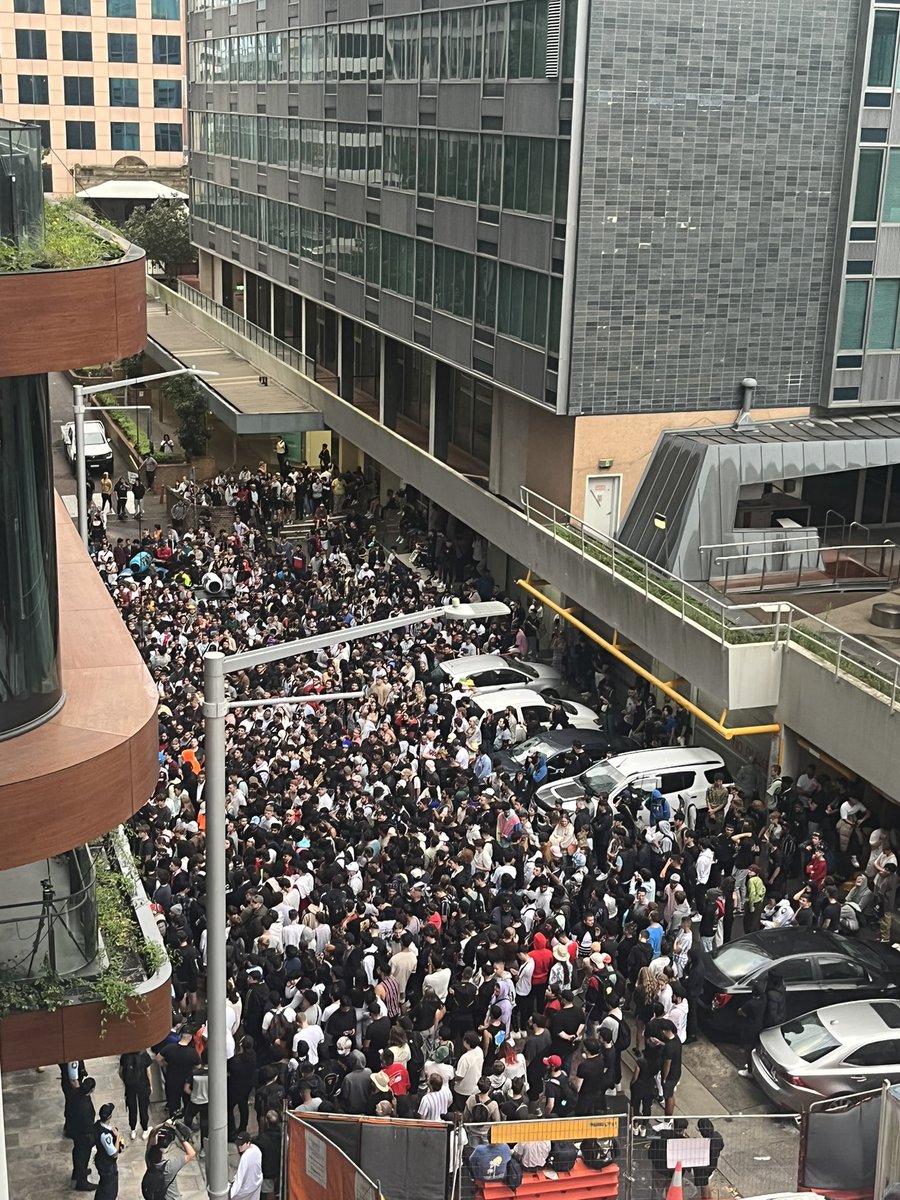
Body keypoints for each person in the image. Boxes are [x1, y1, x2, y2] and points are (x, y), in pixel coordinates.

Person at [69, 1075, 97, 1192]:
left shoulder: (75, 1093)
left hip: (75, 1130)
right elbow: (87, 1124)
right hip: (83, 1134)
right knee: (83, 1157)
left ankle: (77, 1172)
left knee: (77, 1153)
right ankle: (82, 1182)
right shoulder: (84, 1106)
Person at [119, 1049, 152, 1140]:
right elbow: (148, 1073)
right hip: (143, 1085)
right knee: (143, 1107)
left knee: (132, 1107)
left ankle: (133, 1130)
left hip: (130, 1087)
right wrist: (151, 1085)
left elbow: (120, 1072)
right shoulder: (144, 1054)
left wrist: (125, 1082)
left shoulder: (124, 1055)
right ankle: (145, 1130)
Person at [736, 981, 767, 1076]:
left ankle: (749, 1071)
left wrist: (744, 1013)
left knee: (748, 1050)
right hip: (759, 1026)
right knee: (754, 1048)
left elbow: (740, 1011)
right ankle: (752, 1066)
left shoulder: (751, 1003)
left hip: (749, 1028)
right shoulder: (764, 999)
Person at [692, 1117, 725, 1200]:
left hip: (703, 1168)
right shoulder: (717, 1136)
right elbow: (721, 1146)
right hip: (713, 1165)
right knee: (707, 1184)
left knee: (704, 1187)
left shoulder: (703, 1144)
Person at [93, 1103, 120, 1200]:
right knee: (110, 1190)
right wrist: (117, 1137)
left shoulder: (96, 1125)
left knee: (103, 1185)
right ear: (109, 1116)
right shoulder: (106, 1135)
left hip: (100, 1159)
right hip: (107, 1165)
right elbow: (114, 1153)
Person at [230, 1131, 263, 1200]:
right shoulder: (256, 1149)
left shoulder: (245, 1157)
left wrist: (231, 1194)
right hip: (257, 1182)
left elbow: (240, 1177)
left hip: (248, 1187)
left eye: (241, 1144)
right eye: (238, 1144)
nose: (239, 1146)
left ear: (248, 1143)